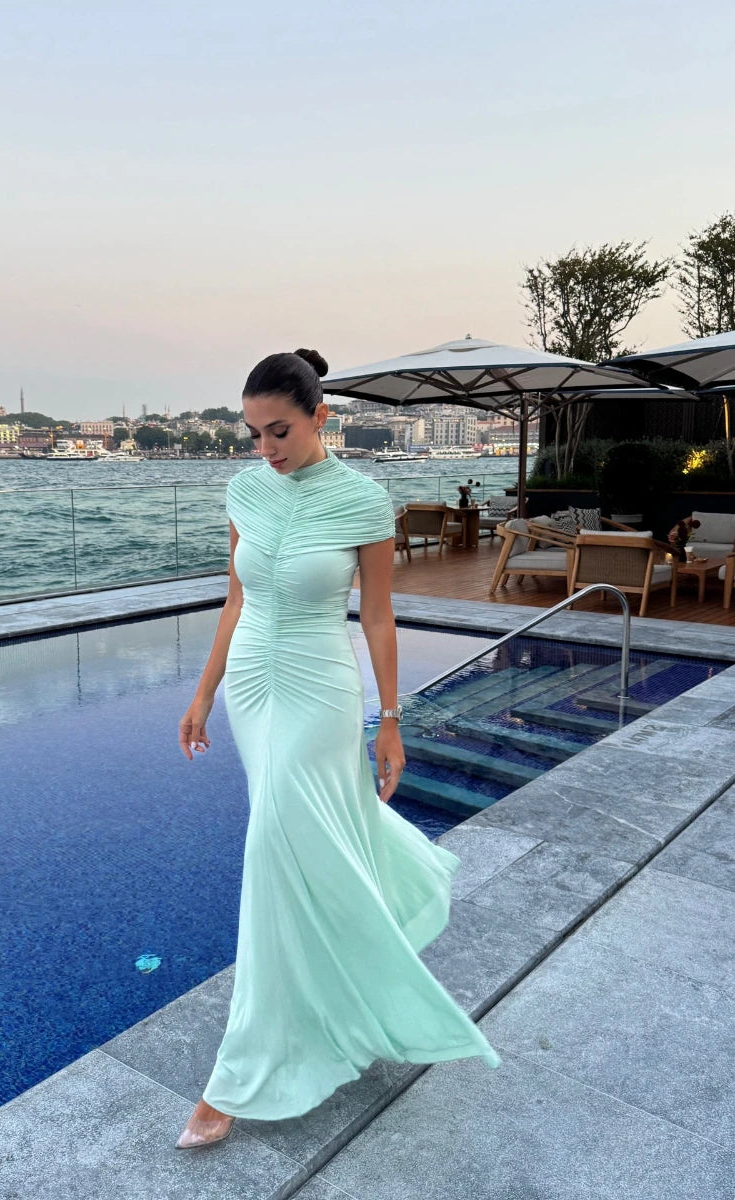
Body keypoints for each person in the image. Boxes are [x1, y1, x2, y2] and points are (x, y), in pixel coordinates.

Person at [175, 349, 500, 1150]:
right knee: (288, 843)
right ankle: (333, 988)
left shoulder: (363, 501)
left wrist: (391, 717)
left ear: (321, 418)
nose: (265, 450)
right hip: (252, 682)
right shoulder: (246, 489)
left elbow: (380, 618)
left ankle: (239, 1072)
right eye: (252, 434)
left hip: (321, 686)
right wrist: (202, 691)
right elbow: (236, 599)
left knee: (271, 842)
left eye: (278, 431)